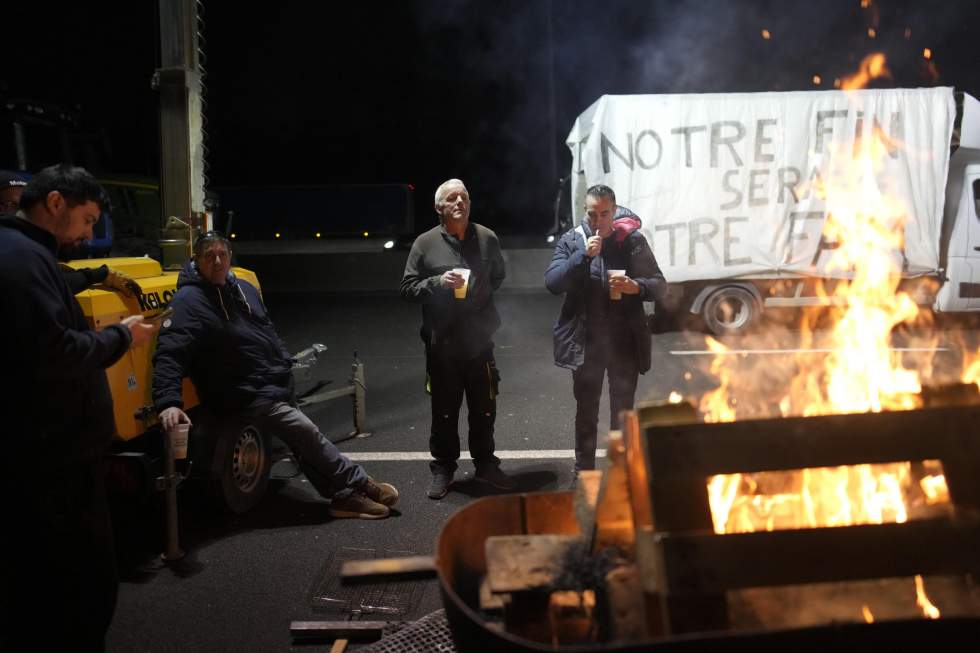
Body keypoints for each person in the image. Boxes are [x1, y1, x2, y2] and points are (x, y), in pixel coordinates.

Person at [0, 164, 157, 651]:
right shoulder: (22, 259)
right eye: (87, 219)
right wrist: (119, 336)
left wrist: (94, 279)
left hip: (43, 454)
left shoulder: (23, 253)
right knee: (80, 588)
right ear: (55, 204)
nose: (89, 233)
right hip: (52, 461)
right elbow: (54, 354)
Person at [152, 231, 399, 519]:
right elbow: (170, 352)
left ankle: (343, 498)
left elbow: (267, 330)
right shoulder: (188, 301)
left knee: (303, 442)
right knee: (307, 433)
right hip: (241, 392)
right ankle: (362, 483)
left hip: (270, 381)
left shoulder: (242, 288)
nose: (217, 261)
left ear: (230, 256)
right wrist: (168, 401)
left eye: (222, 254)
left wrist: (282, 361)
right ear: (196, 260)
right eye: (209, 256)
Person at [400, 178, 513, 499]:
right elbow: (407, 288)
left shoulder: (486, 238)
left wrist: (480, 302)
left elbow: (498, 277)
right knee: (444, 411)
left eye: (464, 196)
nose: (460, 202)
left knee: (484, 407)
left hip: (479, 341)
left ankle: (486, 465)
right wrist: (438, 282)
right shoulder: (425, 243)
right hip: (443, 344)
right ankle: (443, 468)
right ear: (439, 207)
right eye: (452, 198)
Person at [544, 184, 667, 476]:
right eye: (592, 214)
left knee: (622, 412)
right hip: (586, 342)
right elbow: (552, 283)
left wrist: (636, 286)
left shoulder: (632, 242)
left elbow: (660, 284)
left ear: (614, 211)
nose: (598, 220)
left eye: (604, 213)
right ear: (584, 212)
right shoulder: (573, 241)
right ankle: (583, 471)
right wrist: (582, 257)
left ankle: (620, 472)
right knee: (586, 411)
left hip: (624, 341)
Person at [1, 168, 141, 296]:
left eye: (23, 204)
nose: (89, 235)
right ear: (55, 203)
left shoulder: (33, 255)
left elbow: (53, 285)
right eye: (11, 205)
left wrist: (99, 274)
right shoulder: (17, 256)